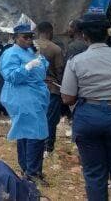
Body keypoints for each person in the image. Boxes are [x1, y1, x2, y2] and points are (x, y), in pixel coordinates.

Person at [61, 13, 111, 200]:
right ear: (107, 33)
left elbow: (67, 98)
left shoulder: (76, 61)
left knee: (94, 174)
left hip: (88, 117)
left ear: (84, 35)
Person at [0, 23, 50, 185]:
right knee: (35, 133)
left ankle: (28, 168)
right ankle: (32, 172)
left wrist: (39, 57)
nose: (29, 40)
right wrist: (26, 67)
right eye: (25, 37)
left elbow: (42, 69)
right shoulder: (10, 53)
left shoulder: (29, 51)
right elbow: (11, 76)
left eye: (31, 37)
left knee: (25, 131)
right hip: (22, 96)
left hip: (34, 95)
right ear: (15, 38)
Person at [35, 22, 64, 155]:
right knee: (50, 120)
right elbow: (60, 71)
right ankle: (48, 148)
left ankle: (35, 145)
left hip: (33, 88)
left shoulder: (30, 46)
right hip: (51, 89)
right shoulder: (55, 49)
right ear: (50, 32)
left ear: (38, 31)